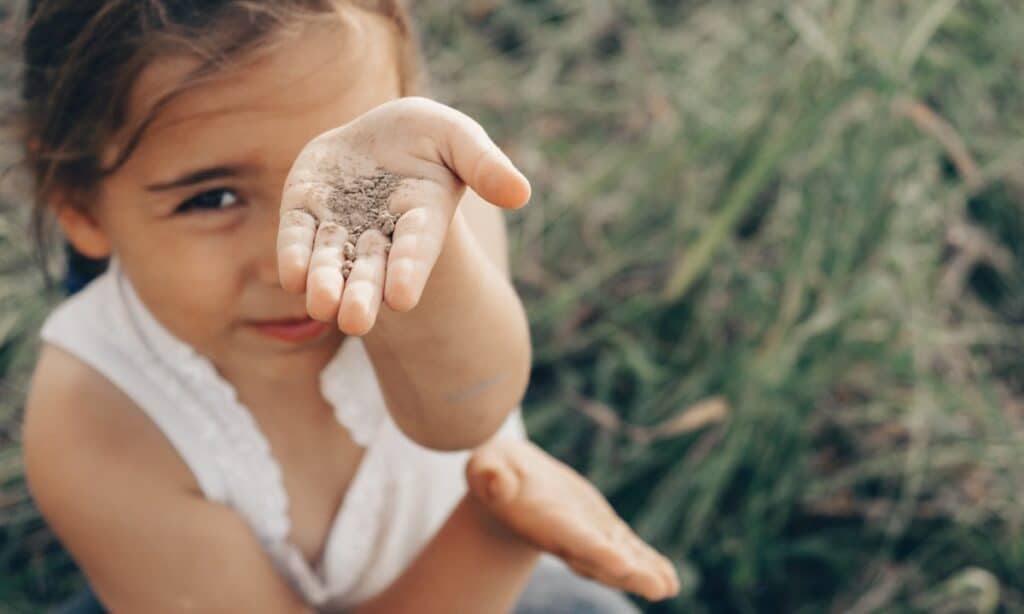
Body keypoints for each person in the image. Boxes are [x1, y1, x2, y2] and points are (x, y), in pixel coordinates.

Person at [14, 2, 680, 612]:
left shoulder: (432, 210)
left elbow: (468, 411)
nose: (296, 260)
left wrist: (408, 238)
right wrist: (494, 530)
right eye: (213, 199)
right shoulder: (93, 414)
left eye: (356, 178)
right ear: (78, 203)